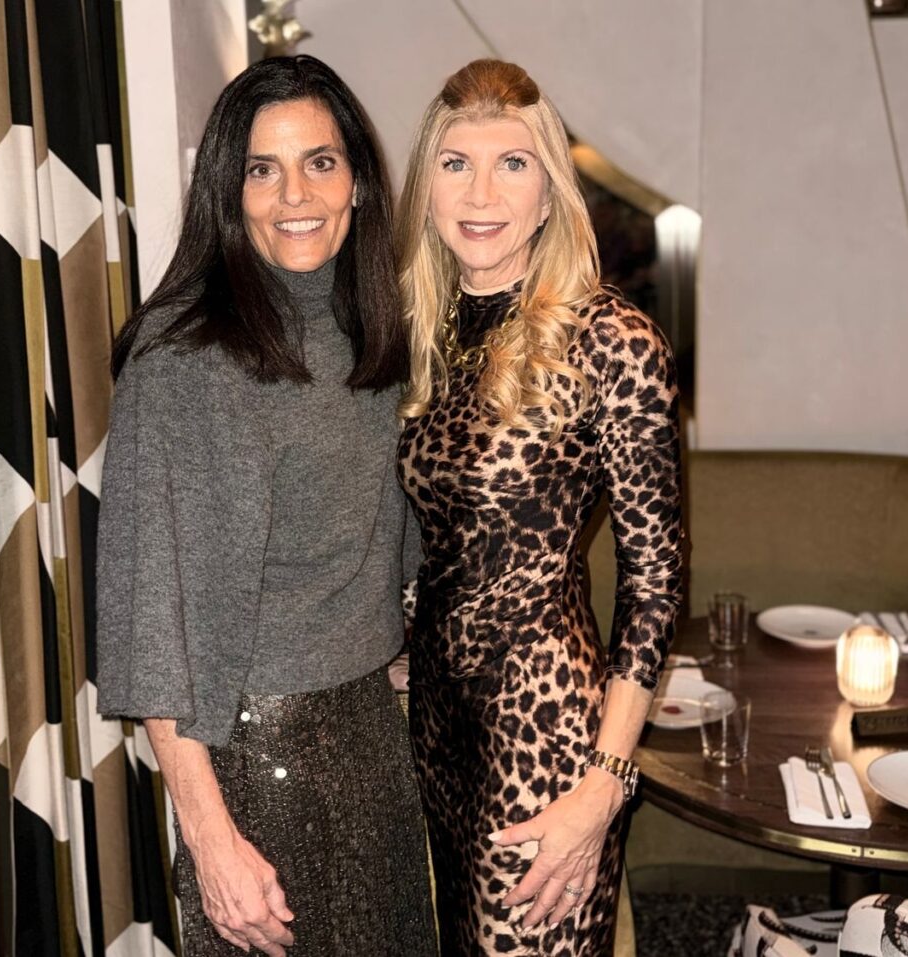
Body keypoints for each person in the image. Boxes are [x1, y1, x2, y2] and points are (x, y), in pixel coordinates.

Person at [96, 55, 437, 957]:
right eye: (262, 169)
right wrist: (210, 838)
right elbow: (152, 620)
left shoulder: (373, 330)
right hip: (252, 760)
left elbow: (383, 532)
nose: (296, 195)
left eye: (320, 162)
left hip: (370, 736)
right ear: (228, 190)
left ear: (358, 180)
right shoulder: (183, 359)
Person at [395, 59, 684, 956]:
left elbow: (656, 582)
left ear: (550, 189)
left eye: (512, 164)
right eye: (456, 164)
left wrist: (606, 781)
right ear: (426, 187)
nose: (481, 193)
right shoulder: (422, 333)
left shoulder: (613, 341)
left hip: (546, 737)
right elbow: (433, 536)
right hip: (435, 729)